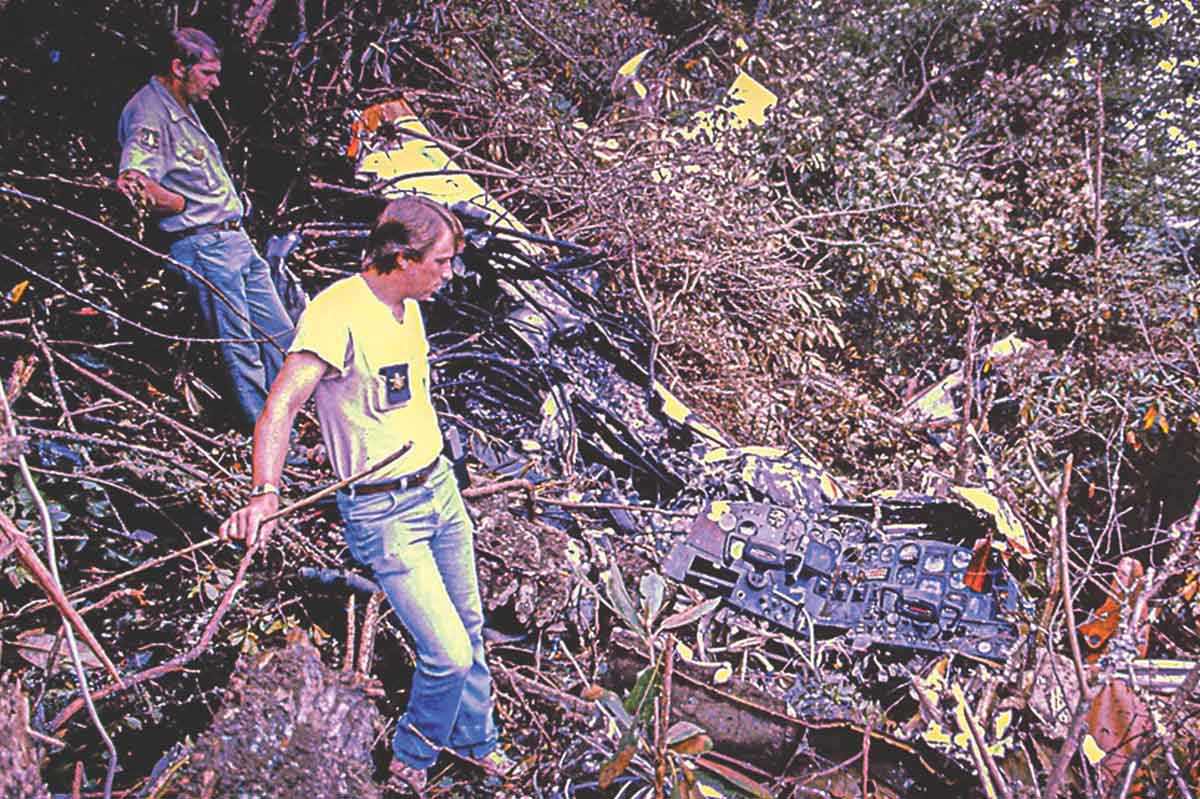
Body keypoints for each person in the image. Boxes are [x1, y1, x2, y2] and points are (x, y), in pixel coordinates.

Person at [218, 196, 510, 791]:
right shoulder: (337, 314)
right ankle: (414, 759)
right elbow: (279, 407)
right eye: (442, 262)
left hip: (439, 491)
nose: (448, 275)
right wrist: (265, 493)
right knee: (448, 652)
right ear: (402, 257)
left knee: (470, 628)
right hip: (387, 512)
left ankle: (478, 744)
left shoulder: (408, 307)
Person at [117, 27, 293, 429]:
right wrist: (178, 204)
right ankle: (266, 437)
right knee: (241, 348)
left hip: (233, 240)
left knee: (280, 337)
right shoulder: (149, 112)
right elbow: (132, 182)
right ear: (179, 67)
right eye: (208, 73)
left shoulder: (181, 107)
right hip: (204, 245)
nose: (216, 82)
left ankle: (290, 425)